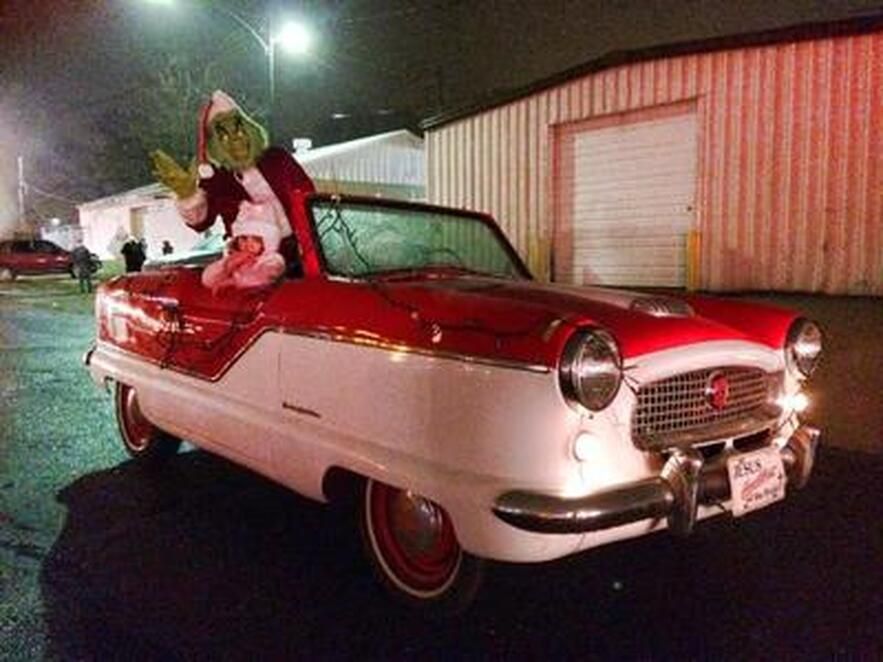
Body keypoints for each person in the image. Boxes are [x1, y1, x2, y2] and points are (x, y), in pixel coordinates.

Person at [150, 90, 314, 270]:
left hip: (303, 253)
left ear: (250, 129)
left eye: (239, 130)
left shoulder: (277, 159)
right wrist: (188, 195)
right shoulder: (216, 179)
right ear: (215, 144)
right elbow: (202, 223)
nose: (235, 140)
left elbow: (308, 196)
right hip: (251, 264)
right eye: (223, 136)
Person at [201, 201, 285, 296]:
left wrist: (233, 281)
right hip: (234, 305)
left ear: (268, 242)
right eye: (244, 238)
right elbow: (208, 280)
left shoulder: (272, 260)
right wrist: (227, 266)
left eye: (256, 239)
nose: (248, 244)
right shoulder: (233, 257)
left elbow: (264, 279)